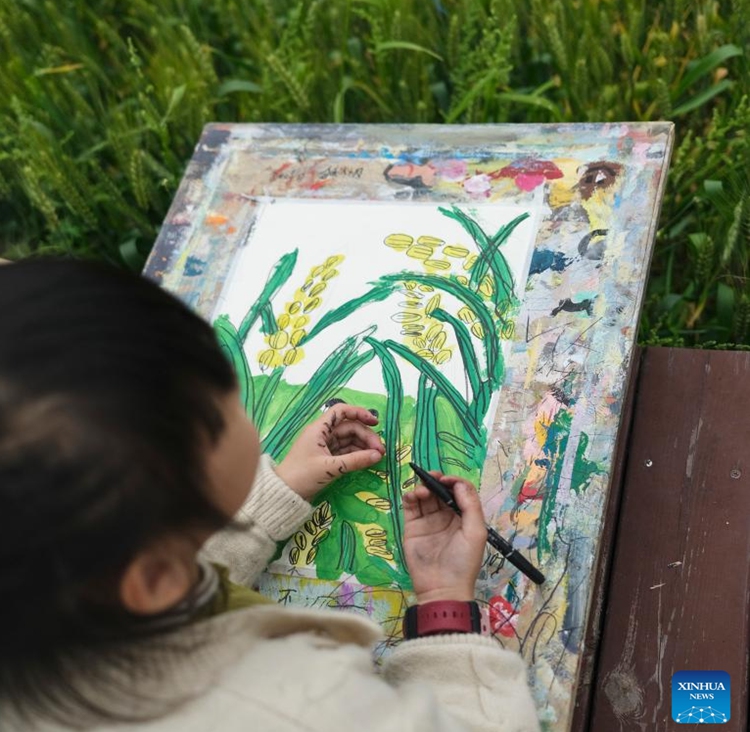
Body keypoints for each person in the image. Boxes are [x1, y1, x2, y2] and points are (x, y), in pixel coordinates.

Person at [0, 258, 540, 732]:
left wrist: (278, 494)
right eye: (225, 401)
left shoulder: (65, 595)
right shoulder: (301, 706)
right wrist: (445, 600)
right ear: (155, 577)